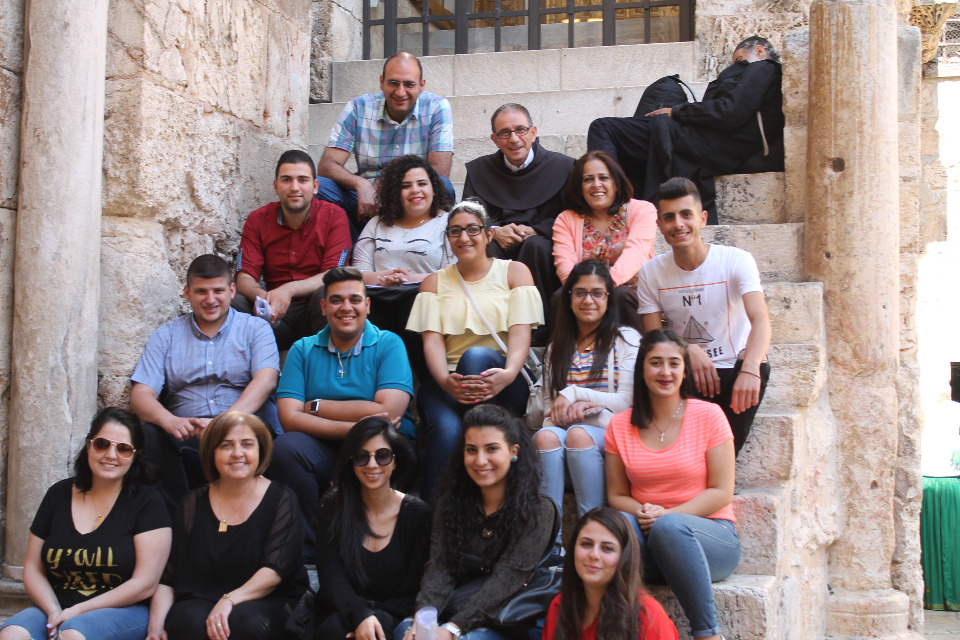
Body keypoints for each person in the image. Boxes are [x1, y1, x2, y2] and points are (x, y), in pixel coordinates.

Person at [270, 266, 417, 562]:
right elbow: (288, 418)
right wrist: (352, 428)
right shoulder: (302, 349)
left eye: (354, 299)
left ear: (367, 305)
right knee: (285, 448)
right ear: (324, 307)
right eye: (336, 300)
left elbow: (387, 413)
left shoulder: (388, 343)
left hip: (383, 447)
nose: (346, 307)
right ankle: (309, 553)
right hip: (323, 448)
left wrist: (315, 406)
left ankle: (378, 548)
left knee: (384, 443)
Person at [406, 200, 544, 504]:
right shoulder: (433, 283)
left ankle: (483, 492)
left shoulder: (514, 272)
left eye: (472, 229)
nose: (463, 237)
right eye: (455, 231)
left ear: (488, 234)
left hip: (504, 379)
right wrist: (445, 381)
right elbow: (432, 342)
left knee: (476, 357)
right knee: (445, 432)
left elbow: (521, 334)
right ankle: (431, 520)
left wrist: (509, 373)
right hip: (447, 382)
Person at [605, 329, 740, 640]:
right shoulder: (620, 425)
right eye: (655, 363)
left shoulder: (709, 415)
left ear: (684, 371)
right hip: (649, 539)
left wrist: (668, 515)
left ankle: (707, 635)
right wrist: (646, 512)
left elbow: (722, 491)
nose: (665, 372)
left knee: (670, 528)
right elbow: (616, 495)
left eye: (674, 363)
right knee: (616, 524)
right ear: (641, 370)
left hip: (712, 538)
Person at [0, 408, 171, 640]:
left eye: (123, 449)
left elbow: (145, 584)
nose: (111, 455)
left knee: (72, 633)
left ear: (135, 455)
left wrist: (76, 612)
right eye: (102, 444)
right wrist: (53, 611)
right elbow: (32, 568)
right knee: (12, 633)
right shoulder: (58, 494)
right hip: (58, 605)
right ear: (89, 445)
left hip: (122, 611)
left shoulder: (148, 502)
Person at [130, 254, 281, 512]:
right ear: (187, 293)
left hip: (242, 425)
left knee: (263, 426)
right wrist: (169, 421)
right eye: (201, 291)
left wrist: (224, 422)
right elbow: (141, 393)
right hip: (184, 432)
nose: (210, 300)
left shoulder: (255, 329)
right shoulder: (166, 336)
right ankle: (179, 519)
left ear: (231, 290)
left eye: (218, 291)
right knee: (151, 435)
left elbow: (266, 380)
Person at [396, 405, 556, 640]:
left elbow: (507, 580)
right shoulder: (451, 503)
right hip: (454, 608)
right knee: (404, 631)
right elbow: (440, 568)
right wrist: (423, 622)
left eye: (491, 449)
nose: (480, 461)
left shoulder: (538, 510)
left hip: (505, 619)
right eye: (471, 450)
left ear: (514, 451)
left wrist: (452, 629)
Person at [637, 177, 771, 454]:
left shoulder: (736, 260)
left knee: (758, 363)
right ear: (659, 225)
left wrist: (750, 369)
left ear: (703, 219)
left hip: (733, 368)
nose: (678, 224)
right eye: (669, 217)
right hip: (686, 371)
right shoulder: (650, 272)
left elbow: (760, 318)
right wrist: (686, 348)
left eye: (686, 214)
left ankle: (722, 461)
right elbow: (653, 337)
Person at [146, 412, 308, 640]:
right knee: (187, 622)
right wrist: (155, 628)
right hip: (202, 599)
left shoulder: (281, 498)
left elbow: (274, 572)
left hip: (267, 600)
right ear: (212, 453)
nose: (237, 453)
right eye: (226, 445)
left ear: (260, 451)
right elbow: (168, 578)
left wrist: (229, 600)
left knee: (245, 622)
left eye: (247, 444)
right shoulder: (192, 502)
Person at [587, 36, 784, 221]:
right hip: (701, 147)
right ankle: (618, 205)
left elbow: (730, 110)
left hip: (694, 140)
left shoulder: (764, 67)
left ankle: (604, 208)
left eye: (739, 60)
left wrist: (676, 111)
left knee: (602, 127)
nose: (736, 67)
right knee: (633, 151)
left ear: (760, 51)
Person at [534, 261, 640, 528]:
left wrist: (575, 394)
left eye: (597, 293)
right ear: (569, 299)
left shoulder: (626, 339)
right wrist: (568, 410)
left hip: (609, 439)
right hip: (565, 440)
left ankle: (592, 528)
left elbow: (627, 402)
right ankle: (550, 540)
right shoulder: (557, 347)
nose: (588, 300)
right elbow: (548, 409)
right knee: (545, 437)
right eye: (580, 292)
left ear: (608, 299)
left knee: (579, 435)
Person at [463, 104, 574, 344]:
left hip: (543, 246)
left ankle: (542, 330)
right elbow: (469, 219)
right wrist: (493, 232)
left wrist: (537, 230)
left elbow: (573, 216)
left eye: (520, 130)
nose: (514, 139)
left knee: (536, 246)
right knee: (487, 247)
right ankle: (495, 330)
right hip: (500, 245)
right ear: (494, 139)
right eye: (504, 133)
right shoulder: (480, 170)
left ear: (533, 132)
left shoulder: (563, 167)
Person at [314, 417, 432, 640]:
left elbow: (412, 591)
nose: (372, 464)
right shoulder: (332, 506)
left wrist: (376, 619)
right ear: (351, 461)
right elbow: (332, 581)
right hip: (340, 614)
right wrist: (361, 615)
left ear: (395, 461)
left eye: (383, 455)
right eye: (361, 456)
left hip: (393, 618)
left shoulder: (418, 515)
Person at [316, 52, 455, 238]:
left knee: (443, 186)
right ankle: (354, 243)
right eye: (393, 83)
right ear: (381, 82)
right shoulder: (358, 107)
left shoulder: (437, 107)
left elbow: (439, 172)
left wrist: (383, 185)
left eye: (409, 84)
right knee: (319, 187)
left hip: (410, 196)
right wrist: (360, 184)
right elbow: (327, 165)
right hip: (365, 200)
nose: (400, 92)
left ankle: (417, 241)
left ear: (421, 85)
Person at [234, 149, 352, 350]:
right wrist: (262, 297)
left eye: (302, 180)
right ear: (275, 186)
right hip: (273, 314)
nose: (294, 187)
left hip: (316, 311)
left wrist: (288, 290)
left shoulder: (334, 216)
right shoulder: (258, 219)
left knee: (329, 293)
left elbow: (334, 273)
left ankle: (330, 361)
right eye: (286, 180)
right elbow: (244, 277)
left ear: (315, 186)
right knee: (234, 302)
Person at [352, 154, 456, 378]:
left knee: (416, 304)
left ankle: (426, 381)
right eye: (406, 186)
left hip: (425, 298)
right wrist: (384, 277)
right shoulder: (377, 224)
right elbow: (358, 272)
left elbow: (454, 273)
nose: (415, 191)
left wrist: (409, 279)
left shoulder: (448, 223)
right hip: (379, 296)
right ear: (395, 192)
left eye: (422, 184)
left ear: (434, 188)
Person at [552, 151, 657, 333]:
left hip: (630, 295)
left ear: (616, 183)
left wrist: (603, 288)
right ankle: (565, 350)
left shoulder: (642, 210)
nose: (596, 184)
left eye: (603, 178)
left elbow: (635, 253)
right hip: (585, 297)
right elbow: (565, 265)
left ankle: (636, 349)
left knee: (620, 294)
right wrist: (589, 293)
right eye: (588, 179)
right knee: (560, 296)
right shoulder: (566, 219)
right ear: (580, 187)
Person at [542, 507, 678, 640]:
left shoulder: (649, 617)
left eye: (607, 548)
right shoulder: (559, 606)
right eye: (586, 544)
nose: (594, 555)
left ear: (624, 557)